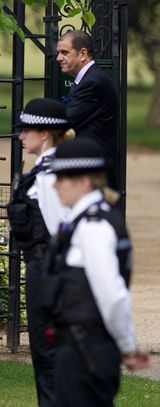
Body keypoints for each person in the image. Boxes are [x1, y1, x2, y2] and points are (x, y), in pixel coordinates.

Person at [42, 138, 151, 404]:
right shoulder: (85, 219)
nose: (55, 186)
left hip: (85, 349)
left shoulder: (92, 227)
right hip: (82, 345)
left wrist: (127, 346)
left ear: (84, 182)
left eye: (62, 178)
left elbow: (112, 295)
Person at [7, 98, 72, 406]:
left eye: (26, 129)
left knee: (49, 353)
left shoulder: (52, 176)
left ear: (45, 133)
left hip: (50, 271)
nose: (20, 136)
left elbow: (65, 230)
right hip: (45, 269)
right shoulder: (46, 169)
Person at [56, 30, 119, 189]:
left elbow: (68, 119)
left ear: (82, 54)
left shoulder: (92, 82)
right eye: (58, 53)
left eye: (64, 52)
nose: (58, 58)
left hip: (94, 169)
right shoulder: (89, 78)